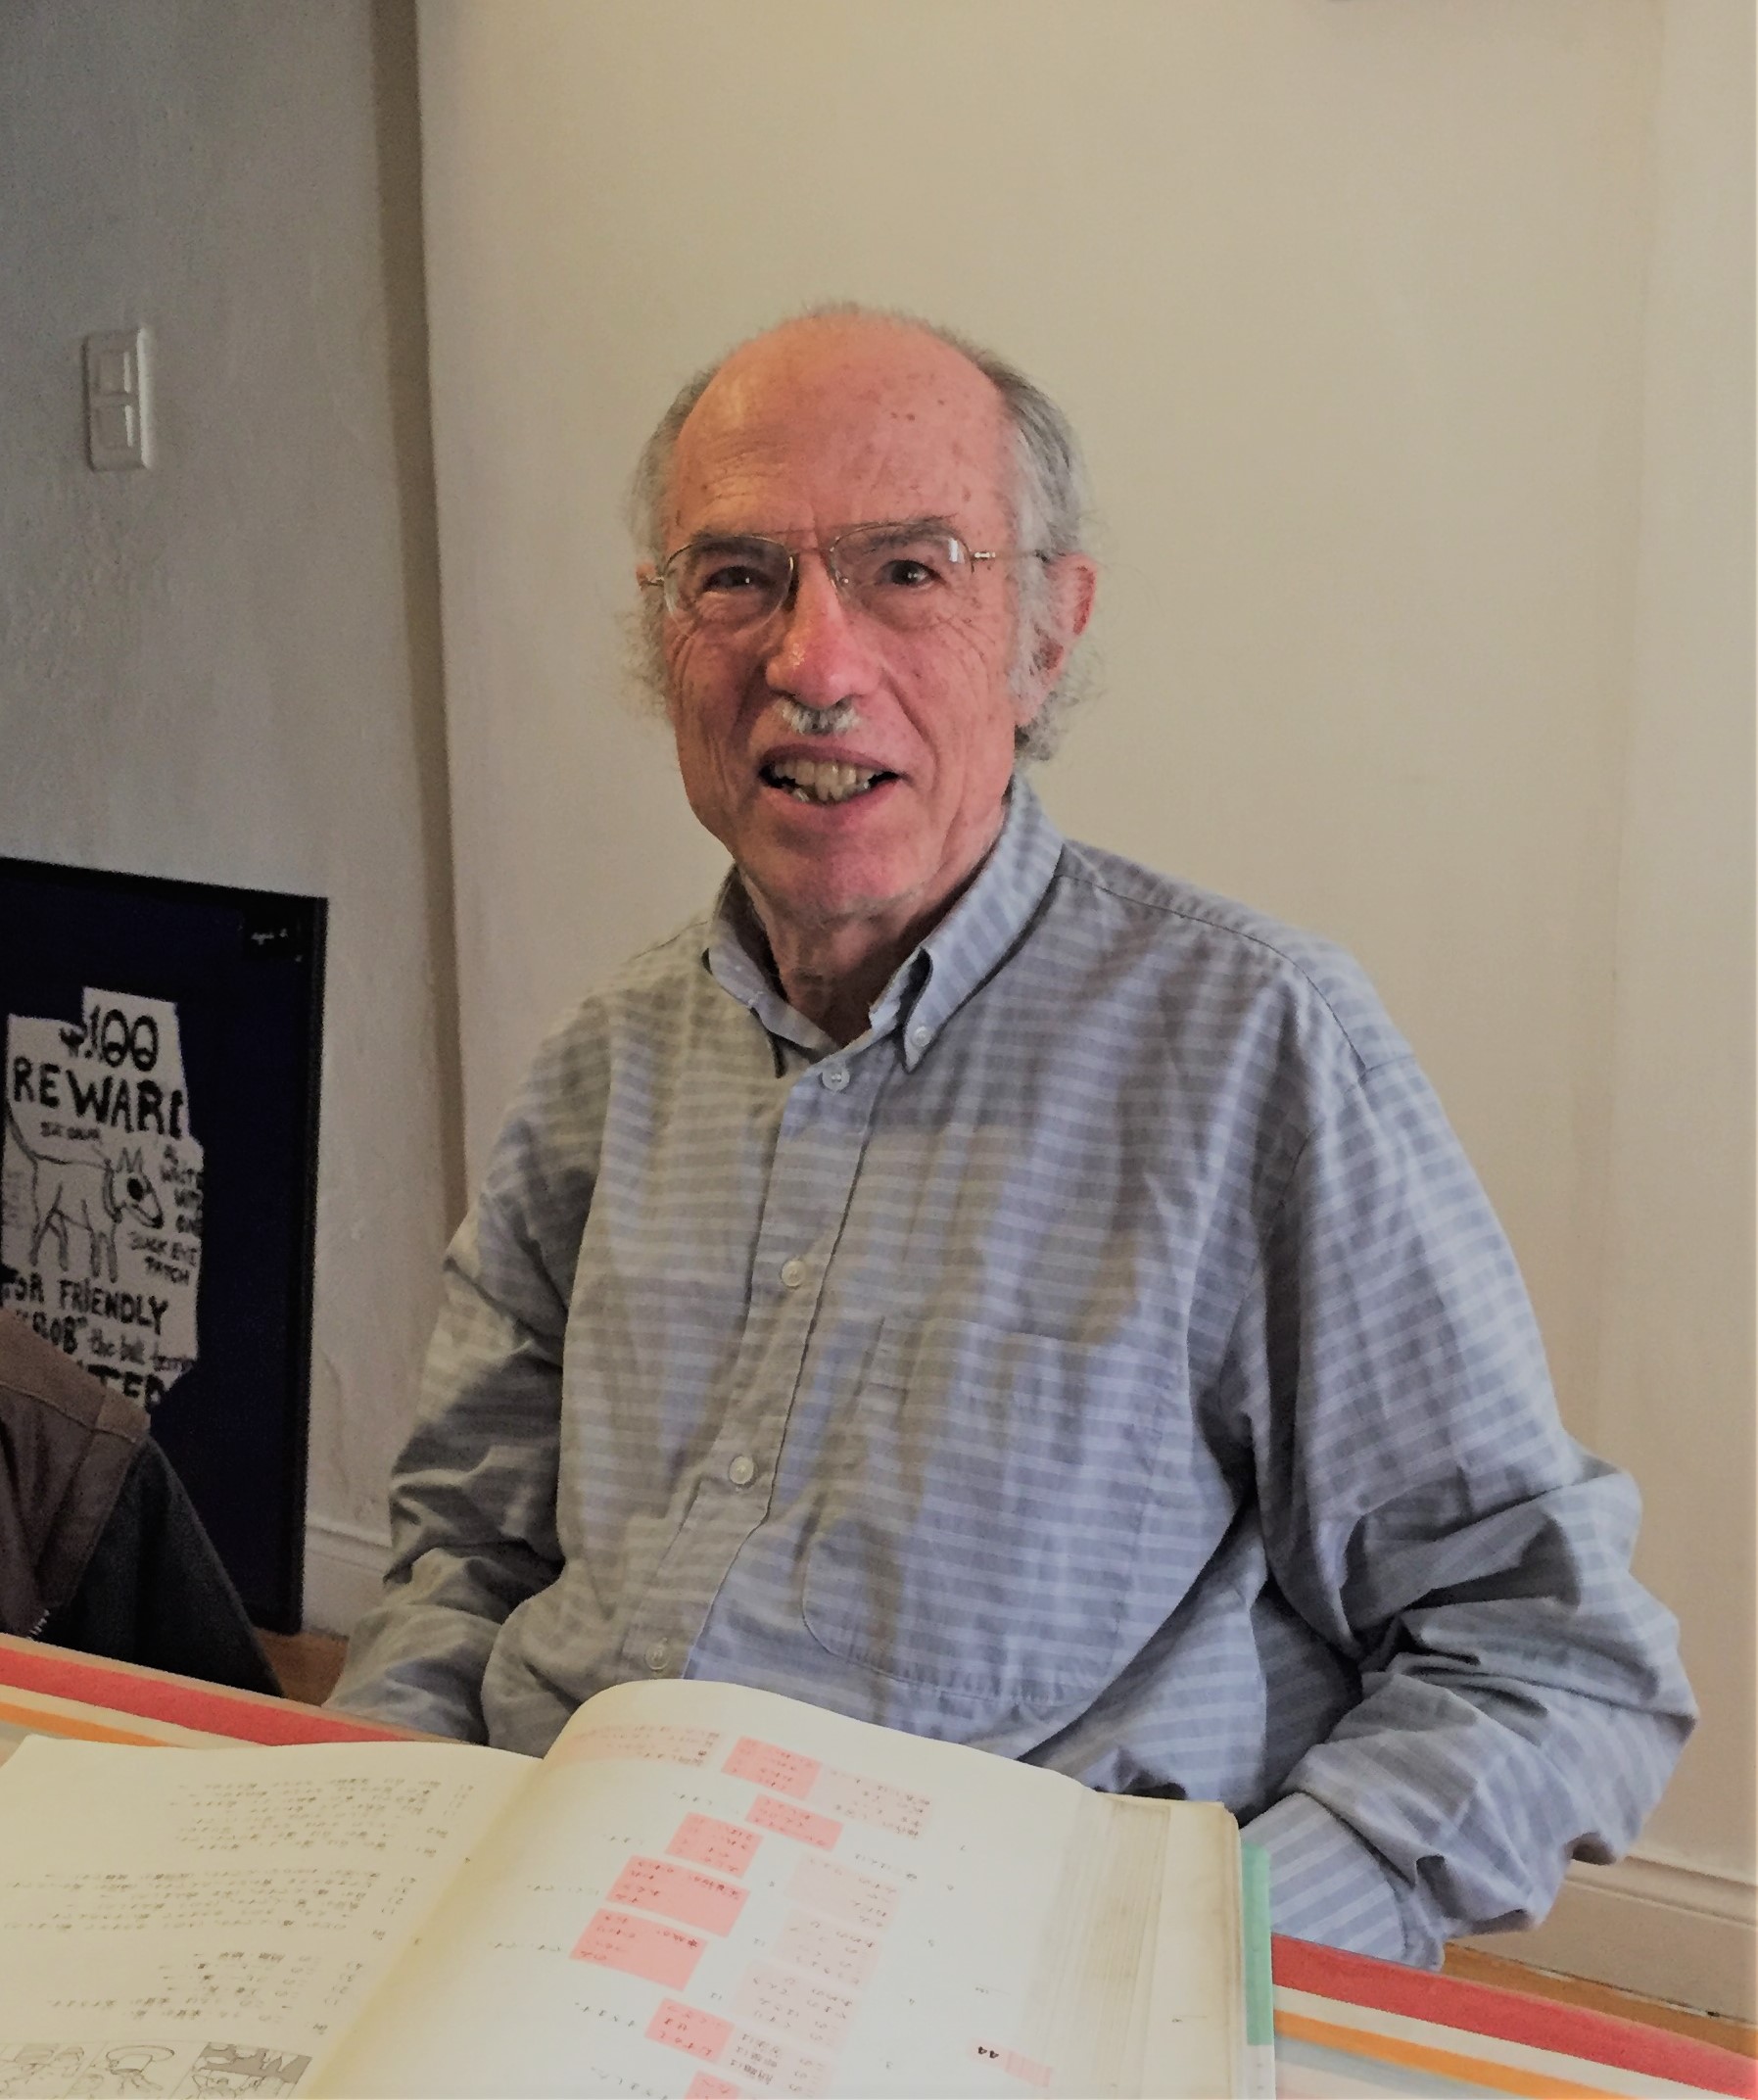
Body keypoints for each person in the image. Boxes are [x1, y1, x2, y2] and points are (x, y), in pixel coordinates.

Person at [332, 309, 1693, 1967]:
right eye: (738, 576)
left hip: (987, 1989)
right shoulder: (602, 1064)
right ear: (662, 633)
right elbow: (462, 1559)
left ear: (1047, 635)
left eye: (910, 571)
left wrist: (1193, 1964)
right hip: (546, 1934)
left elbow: (1547, 1656)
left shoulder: (1255, 1051)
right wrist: (372, 1858)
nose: (812, 662)